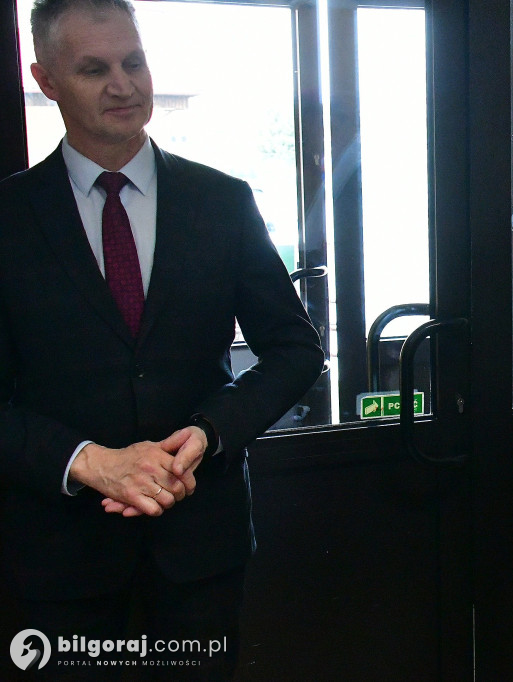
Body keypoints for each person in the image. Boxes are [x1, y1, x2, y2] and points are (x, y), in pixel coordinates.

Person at [0, 0, 324, 677]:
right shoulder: (9, 219)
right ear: (46, 77)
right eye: (93, 69)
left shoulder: (222, 202)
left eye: (134, 61)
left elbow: (296, 350)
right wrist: (87, 461)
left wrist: (207, 433)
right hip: (58, 560)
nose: (123, 85)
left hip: (200, 550)